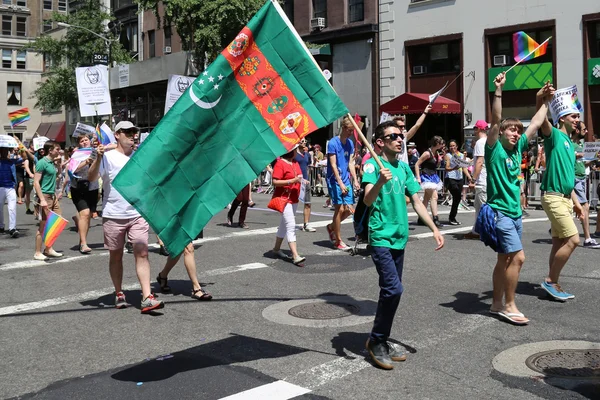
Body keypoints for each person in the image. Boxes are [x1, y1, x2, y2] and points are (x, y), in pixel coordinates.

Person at [362, 121, 444, 369]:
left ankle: (380, 340)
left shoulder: (404, 168)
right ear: (380, 142)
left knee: (392, 292)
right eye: (393, 136)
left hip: (399, 237)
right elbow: (367, 200)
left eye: (400, 136)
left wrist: (434, 228)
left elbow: (418, 202)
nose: (399, 139)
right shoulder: (372, 164)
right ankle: (377, 341)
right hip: (380, 237)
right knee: (393, 289)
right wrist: (378, 182)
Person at [484, 73, 552, 325]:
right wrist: (499, 90)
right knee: (518, 257)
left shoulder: (519, 149)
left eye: (518, 131)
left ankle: (495, 303)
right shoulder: (494, 149)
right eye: (511, 129)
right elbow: (495, 119)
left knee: (504, 258)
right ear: (501, 133)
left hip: (515, 214)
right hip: (499, 212)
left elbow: (536, 121)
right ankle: (509, 305)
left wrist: (546, 99)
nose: (516, 133)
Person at [88, 121, 164, 313]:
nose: (133, 135)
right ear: (117, 135)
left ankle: (147, 296)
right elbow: (90, 178)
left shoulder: (140, 156)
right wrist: (97, 158)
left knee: (142, 252)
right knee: (116, 255)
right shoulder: (107, 156)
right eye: (128, 132)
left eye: (135, 132)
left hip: (137, 213)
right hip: (113, 215)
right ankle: (119, 292)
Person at [538, 85, 585, 301]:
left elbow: (568, 179)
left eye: (578, 116)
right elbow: (542, 120)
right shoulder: (555, 135)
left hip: (565, 198)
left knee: (558, 242)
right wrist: (542, 100)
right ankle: (550, 280)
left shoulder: (570, 142)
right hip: (553, 196)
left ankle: (553, 283)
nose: (577, 119)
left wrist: (574, 201)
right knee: (574, 239)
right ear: (563, 117)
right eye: (574, 116)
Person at [326, 116, 360, 250]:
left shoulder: (350, 143)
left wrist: (356, 179)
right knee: (339, 209)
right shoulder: (333, 143)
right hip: (334, 180)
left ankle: (331, 227)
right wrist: (340, 183)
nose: (352, 133)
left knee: (350, 209)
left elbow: (350, 163)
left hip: (346, 179)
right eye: (350, 130)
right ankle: (338, 240)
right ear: (344, 128)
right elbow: (333, 165)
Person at [270, 146, 306, 265]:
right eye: (296, 149)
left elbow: (300, 177)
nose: (297, 151)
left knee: (284, 225)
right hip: (284, 198)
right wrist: (291, 181)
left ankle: (276, 249)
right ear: (291, 151)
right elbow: (275, 181)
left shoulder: (295, 162)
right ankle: (295, 255)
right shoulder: (280, 163)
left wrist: (303, 181)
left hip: (294, 198)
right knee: (291, 225)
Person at [69, 135, 100, 254]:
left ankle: (83, 239)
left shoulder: (96, 151)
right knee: (85, 213)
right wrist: (86, 161)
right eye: (82, 141)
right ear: (79, 144)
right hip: (78, 187)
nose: (84, 142)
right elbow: (73, 170)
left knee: (88, 216)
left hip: (93, 187)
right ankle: (83, 243)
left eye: (86, 140)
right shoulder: (76, 154)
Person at [33, 140, 64, 260]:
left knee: (55, 222)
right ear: (50, 150)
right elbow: (36, 182)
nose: (59, 151)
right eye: (57, 149)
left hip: (52, 195)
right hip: (45, 196)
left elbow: (58, 177)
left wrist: (59, 165)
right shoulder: (42, 163)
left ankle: (48, 248)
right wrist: (42, 199)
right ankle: (37, 252)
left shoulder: (52, 163)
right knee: (43, 224)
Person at [571, 122, 600, 249]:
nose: (586, 131)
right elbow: (564, 158)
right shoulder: (570, 144)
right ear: (577, 131)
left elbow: (584, 163)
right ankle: (587, 238)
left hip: (582, 178)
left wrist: (593, 158)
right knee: (585, 207)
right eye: (584, 129)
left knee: (573, 206)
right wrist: (577, 155)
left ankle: (555, 228)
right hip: (574, 179)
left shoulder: (581, 145)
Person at [464, 120, 489, 239]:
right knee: (478, 206)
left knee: (483, 206)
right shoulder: (489, 141)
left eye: (475, 128)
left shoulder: (480, 143)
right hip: (486, 179)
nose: (474, 131)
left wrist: (473, 180)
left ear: (478, 129)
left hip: (482, 180)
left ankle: (487, 231)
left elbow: (480, 162)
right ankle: (476, 231)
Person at [414, 136, 445, 227]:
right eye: (441, 143)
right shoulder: (427, 153)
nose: (442, 145)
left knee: (426, 199)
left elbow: (436, 166)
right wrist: (418, 177)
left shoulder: (436, 153)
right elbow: (417, 164)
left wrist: (439, 161)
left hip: (433, 176)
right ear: (437, 143)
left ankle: (421, 218)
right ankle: (435, 219)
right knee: (434, 197)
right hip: (426, 176)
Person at [444, 139, 471, 225]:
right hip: (450, 178)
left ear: (457, 146)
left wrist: (469, 177)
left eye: (453, 146)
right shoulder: (448, 155)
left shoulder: (461, 155)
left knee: (457, 198)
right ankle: (452, 217)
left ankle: (452, 217)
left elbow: (464, 167)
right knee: (457, 195)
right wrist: (453, 168)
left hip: (459, 178)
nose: (452, 147)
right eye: (450, 146)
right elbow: (447, 168)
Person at [294, 139, 316, 232]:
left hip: (305, 182)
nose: (304, 142)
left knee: (307, 203)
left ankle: (306, 224)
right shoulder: (294, 154)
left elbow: (308, 166)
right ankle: (289, 222)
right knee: (293, 203)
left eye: (305, 141)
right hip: (296, 181)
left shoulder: (307, 154)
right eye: (302, 141)